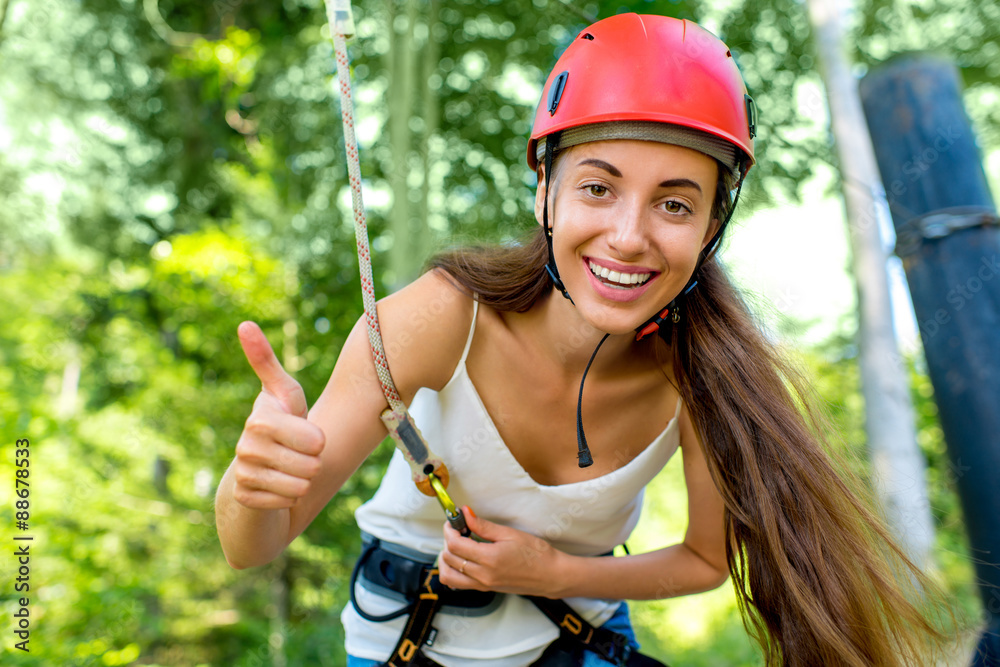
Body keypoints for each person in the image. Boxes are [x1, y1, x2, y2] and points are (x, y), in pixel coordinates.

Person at [216, 13, 948, 667]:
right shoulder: (439, 318)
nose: (629, 238)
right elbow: (253, 544)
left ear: (710, 228)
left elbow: (703, 558)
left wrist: (555, 572)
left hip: (580, 636)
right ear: (546, 189)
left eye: (673, 203)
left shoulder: (703, 374)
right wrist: (249, 485)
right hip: (407, 637)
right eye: (598, 187)